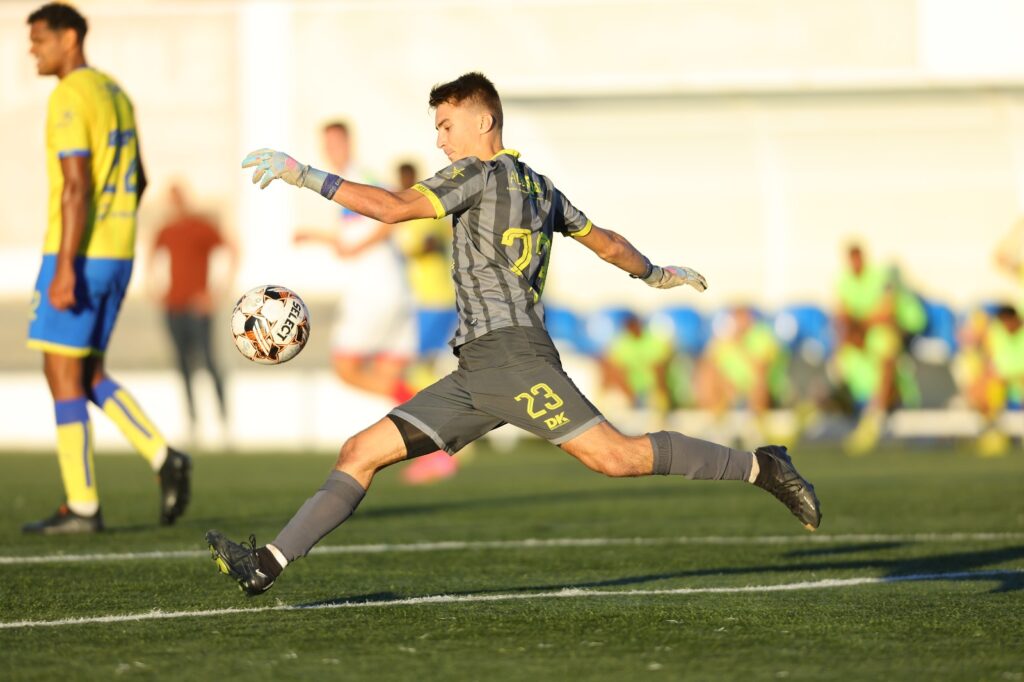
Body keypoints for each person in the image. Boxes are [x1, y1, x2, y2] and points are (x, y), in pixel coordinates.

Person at [207, 72, 821, 596]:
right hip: (477, 372)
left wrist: (303, 174)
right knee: (360, 453)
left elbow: (393, 210)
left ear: (484, 121)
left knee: (616, 456)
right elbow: (604, 241)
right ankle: (264, 566)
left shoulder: (474, 175)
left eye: (447, 124)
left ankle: (760, 466)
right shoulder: (540, 187)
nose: (439, 138)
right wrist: (656, 273)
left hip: (514, 361)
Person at [23, 3, 191, 534]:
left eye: (40, 39)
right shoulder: (115, 91)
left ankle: (83, 505)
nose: (33, 49)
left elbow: (76, 186)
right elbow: (139, 178)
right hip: (117, 251)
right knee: (86, 371)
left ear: (70, 38)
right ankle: (163, 457)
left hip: (79, 252)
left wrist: (67, 266)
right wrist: (114, 233)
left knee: (60, 370)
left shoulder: (70, 95)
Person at [293, 122, 418, 403]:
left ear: (349, 143)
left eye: (336, 143)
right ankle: (436, 438)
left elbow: (394, 212)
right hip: (396, 291)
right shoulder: (345, 184)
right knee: (389, 378)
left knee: (344, 366)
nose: (331, 150)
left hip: (375, 290)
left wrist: (359, 246)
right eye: (327, 144)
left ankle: (422, 401)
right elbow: (348, 242)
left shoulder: (360, 177)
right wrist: (314, 237)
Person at [149, 182, 236, 441]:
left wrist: (217, 293)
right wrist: (154, 288)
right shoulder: (165, 230)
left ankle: (224, 421)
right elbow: (151, 259)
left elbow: (233, 250)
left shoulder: (200, 227)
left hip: (198, 308)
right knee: (182, 364)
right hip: (173, 306)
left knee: (209, 362)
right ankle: (193, 422)